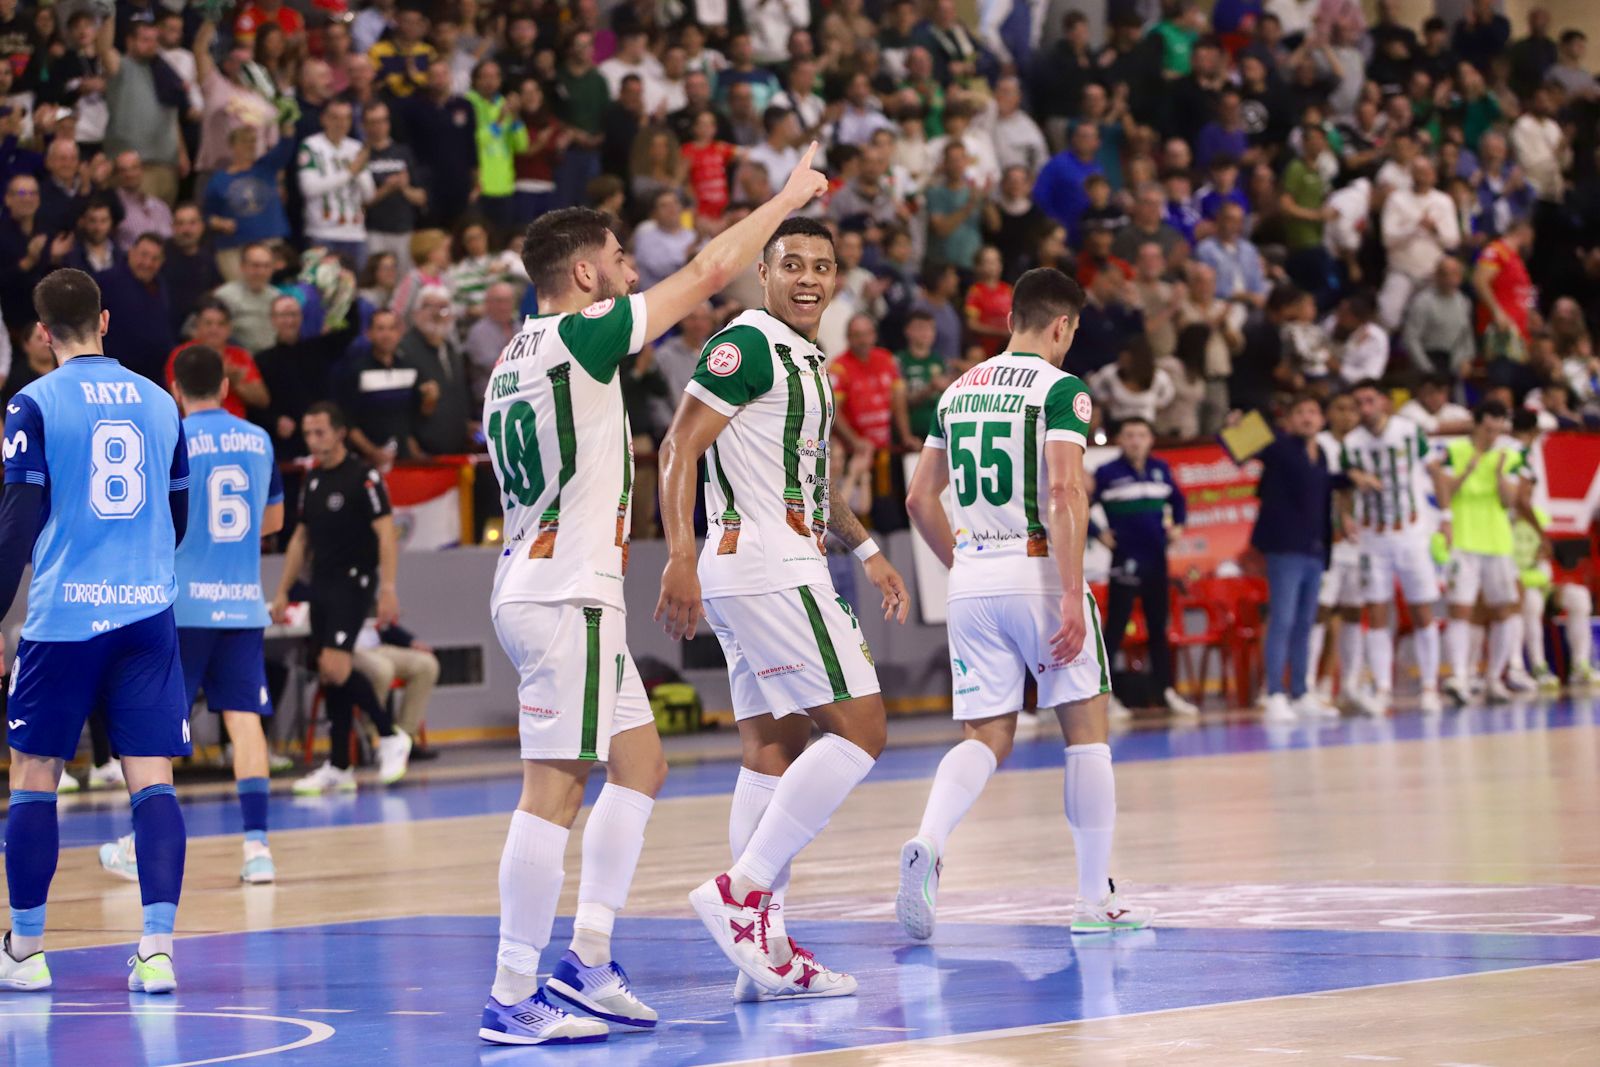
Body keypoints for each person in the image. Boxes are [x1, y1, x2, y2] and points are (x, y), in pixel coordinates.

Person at [476, 148, 834, 1044]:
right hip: (564, 592)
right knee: (552, 790)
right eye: (623, 260)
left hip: (537, 577)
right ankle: (511, 990)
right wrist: (788, 198)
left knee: (642, 764)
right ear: (589, 272)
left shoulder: (510, 358)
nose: (635, 273)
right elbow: (713, 271)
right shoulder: (579, 333)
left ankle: (587, 959)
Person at [655, 210, 911, 1003]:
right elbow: (677, 446)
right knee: (862, 728)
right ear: (761, 274)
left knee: (773, 744)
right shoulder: (750, 342)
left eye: (821, 266)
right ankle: (744, 892)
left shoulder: (804, 356)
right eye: (790, 263)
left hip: (774, 563)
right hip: (768, 567)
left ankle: (758, 954)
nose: (807, 277)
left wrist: (867, 549)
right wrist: (678, 555)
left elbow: (809, 474)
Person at [900, 266, 1153, 940]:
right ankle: (1093, 901)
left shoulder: (956, 390)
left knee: (986, 734)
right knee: (1087, 734)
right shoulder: (1062, 390)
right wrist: (1071, 592)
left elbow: (919, 499)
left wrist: (966, 564)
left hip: (974, 575)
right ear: (1061, 325)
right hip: (1038, 569)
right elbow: (1067, 491)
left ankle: (929, 838)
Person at [1, 268, 191, 994]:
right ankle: (157, 949)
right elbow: (178, 515)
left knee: (35, 776)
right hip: (147, 610)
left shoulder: (33, 402)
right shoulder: (159, 400)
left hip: (66, 618)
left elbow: (18, 521)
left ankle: (26, 951)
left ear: (42, 333)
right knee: (152, 780)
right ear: (106, 320)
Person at [96, 345, 285, 886]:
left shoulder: (172, 434)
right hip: (243, 601)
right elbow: (271, 520)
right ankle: (257, 850)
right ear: (225, 386)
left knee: (159, 725)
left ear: (175, 388)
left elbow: (155, 514)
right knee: (244, 720)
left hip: (180, 602)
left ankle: (140, 846)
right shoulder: (259, 439)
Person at [270, 403, 412, 794]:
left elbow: (386, 534)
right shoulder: (312, 479)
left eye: (319, 432)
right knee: (332, 675)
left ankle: (389, 734)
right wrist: (282, 589)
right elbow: (301, 539)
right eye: (308, 433)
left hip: (355, 582)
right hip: (323, 584)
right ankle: (340, 764)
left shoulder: (363, 476)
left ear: (339, 433)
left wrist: (387, 588)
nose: (313, 441)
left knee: (334, 667)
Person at [1342, 379, 1443, 715]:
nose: (1365, 408)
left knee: (1422, 609)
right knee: (1377, 611)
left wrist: (1446, 515)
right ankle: (1382, 687)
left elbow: (1435, 471)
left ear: (1384, 402)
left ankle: (1430, 685)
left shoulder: (1408, 432)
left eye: (1370, 400)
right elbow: (1344, 486)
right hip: (1373, 538)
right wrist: (1346, 515)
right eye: (1359, 403)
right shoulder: (1351, 443)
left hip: (1411, 533)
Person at [1090, 417, 1196, 718]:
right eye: (1129, 435)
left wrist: (1179, 526)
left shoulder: (1161, 469)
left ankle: (1166, 691)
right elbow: (1080, 504)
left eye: (1141, 435)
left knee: (1158, 629)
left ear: (1150, 439)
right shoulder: (1107, 473)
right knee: (1116, 628)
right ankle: (1105, 697)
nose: (1136, 440)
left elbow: (1179, 500)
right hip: (1125, 560)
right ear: (1120, 440)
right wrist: (1098, 533)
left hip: (1156, 561)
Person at [1252, 394, 1345, 724]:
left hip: (1315, 549)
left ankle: (1301, 692)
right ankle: (1275, 692)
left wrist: (1351, 479)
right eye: (1301, 412)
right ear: (1288, 421)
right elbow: (1240, 444)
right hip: (1285, 549)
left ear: (1322, 420)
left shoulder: (1320, 456)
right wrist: (1240, 426)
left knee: (1306, 622)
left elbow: (1321, 486)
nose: (1308, 417)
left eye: (1313, 411)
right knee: (1283, 619)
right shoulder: (1280, 447)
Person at [1432, 400, 1528, 704]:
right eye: (1488, 429)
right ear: (1476, 424)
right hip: (1463, 540)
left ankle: (1494, 678)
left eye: (1498, 429)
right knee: (1460, 609)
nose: (1493, 435)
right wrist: (1467, 470)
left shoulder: (1510, 455)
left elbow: (1510, 502)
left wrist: (1499, 475)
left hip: (1498, 542)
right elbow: (1443, 491)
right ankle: (1459, 676)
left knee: (1505, 610)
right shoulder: (1456, 451)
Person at [1307, 390, 1365, 705]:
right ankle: (1308, 685)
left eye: (1352, 409)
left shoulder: (1365, 445)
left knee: (1354, 611)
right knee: (1321, 610)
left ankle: (1349, 683)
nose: (1346, 415)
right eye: (1339, 408)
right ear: (1328, 413)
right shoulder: (1320, 446)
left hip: (1362, 542)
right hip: (1328, 541)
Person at [298, 100, 375, 268]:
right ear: (323, 119)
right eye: (335, 118)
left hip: (355, 233)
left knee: (353, 287)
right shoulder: (311, 145)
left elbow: (369, 195)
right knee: (322, 287)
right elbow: (309, 188)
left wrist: (360, 173)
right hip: (323, 232)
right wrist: (350, 172)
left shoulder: (356, 147)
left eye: (346, 118)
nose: (341, 124)